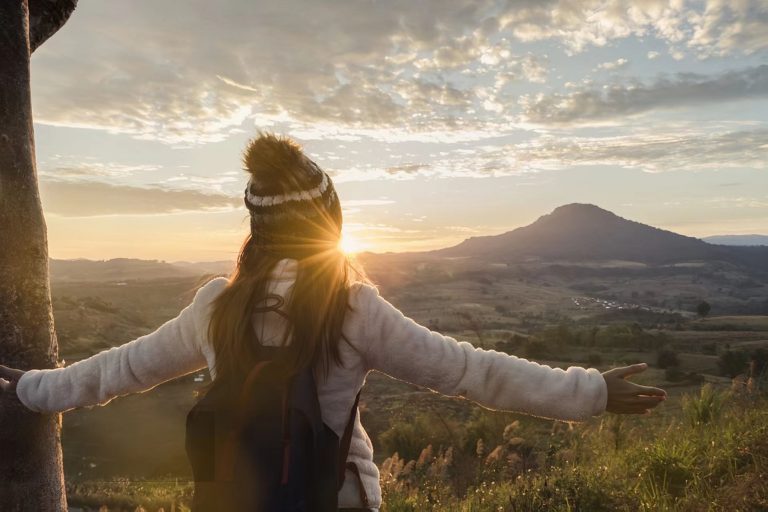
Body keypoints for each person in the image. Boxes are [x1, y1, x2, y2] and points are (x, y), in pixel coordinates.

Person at [0, 132, 667, 511]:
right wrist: (592, 392)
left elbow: (113, 373)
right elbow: (471, 374)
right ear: (329, 224)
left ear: (257, 230)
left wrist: (27, 388)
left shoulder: (215, 308)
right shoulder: (352, 309)